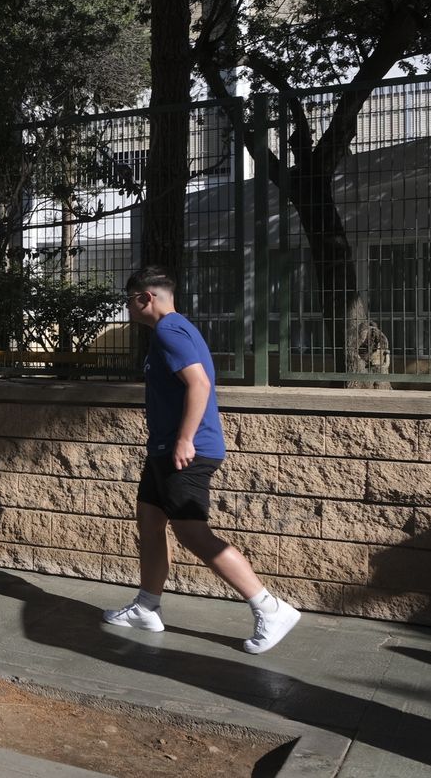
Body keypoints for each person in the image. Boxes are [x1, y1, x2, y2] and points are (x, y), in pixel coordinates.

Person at [103, 265, 301, 654]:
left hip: (185, 450)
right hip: (164, 449)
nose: (126, 308)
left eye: (129, 300)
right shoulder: (175, 330)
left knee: (192, 532)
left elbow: (199, 383)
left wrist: (185, 439)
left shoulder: (169, 331)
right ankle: (147, 606)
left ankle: (270, 607)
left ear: (146, 298)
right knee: (149, 520)